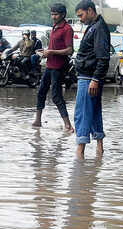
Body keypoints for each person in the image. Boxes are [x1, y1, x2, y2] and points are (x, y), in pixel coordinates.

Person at [74, 0, 110, 158]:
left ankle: (80, 151)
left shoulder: (99, 28)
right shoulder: (94, 26)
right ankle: (99, 149)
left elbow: (103, 58)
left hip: (89, 77)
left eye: (81, 15)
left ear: (90, 10)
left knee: (82, 112)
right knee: (94, 112)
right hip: (90, 76)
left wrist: (95, 79)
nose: (80, 19)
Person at [32, 3, 74, 132]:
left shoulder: (67, 29)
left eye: (55, 14)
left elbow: (69, 50)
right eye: (52, 14)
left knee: (56, 96)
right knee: (41, 92)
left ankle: (68, 125)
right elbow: (54, 47)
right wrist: (46, 52)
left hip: (59, 67)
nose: (53, 17)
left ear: (63, 15)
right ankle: (38, 120)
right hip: (49, 64)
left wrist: (51, 52)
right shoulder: (54, 26)